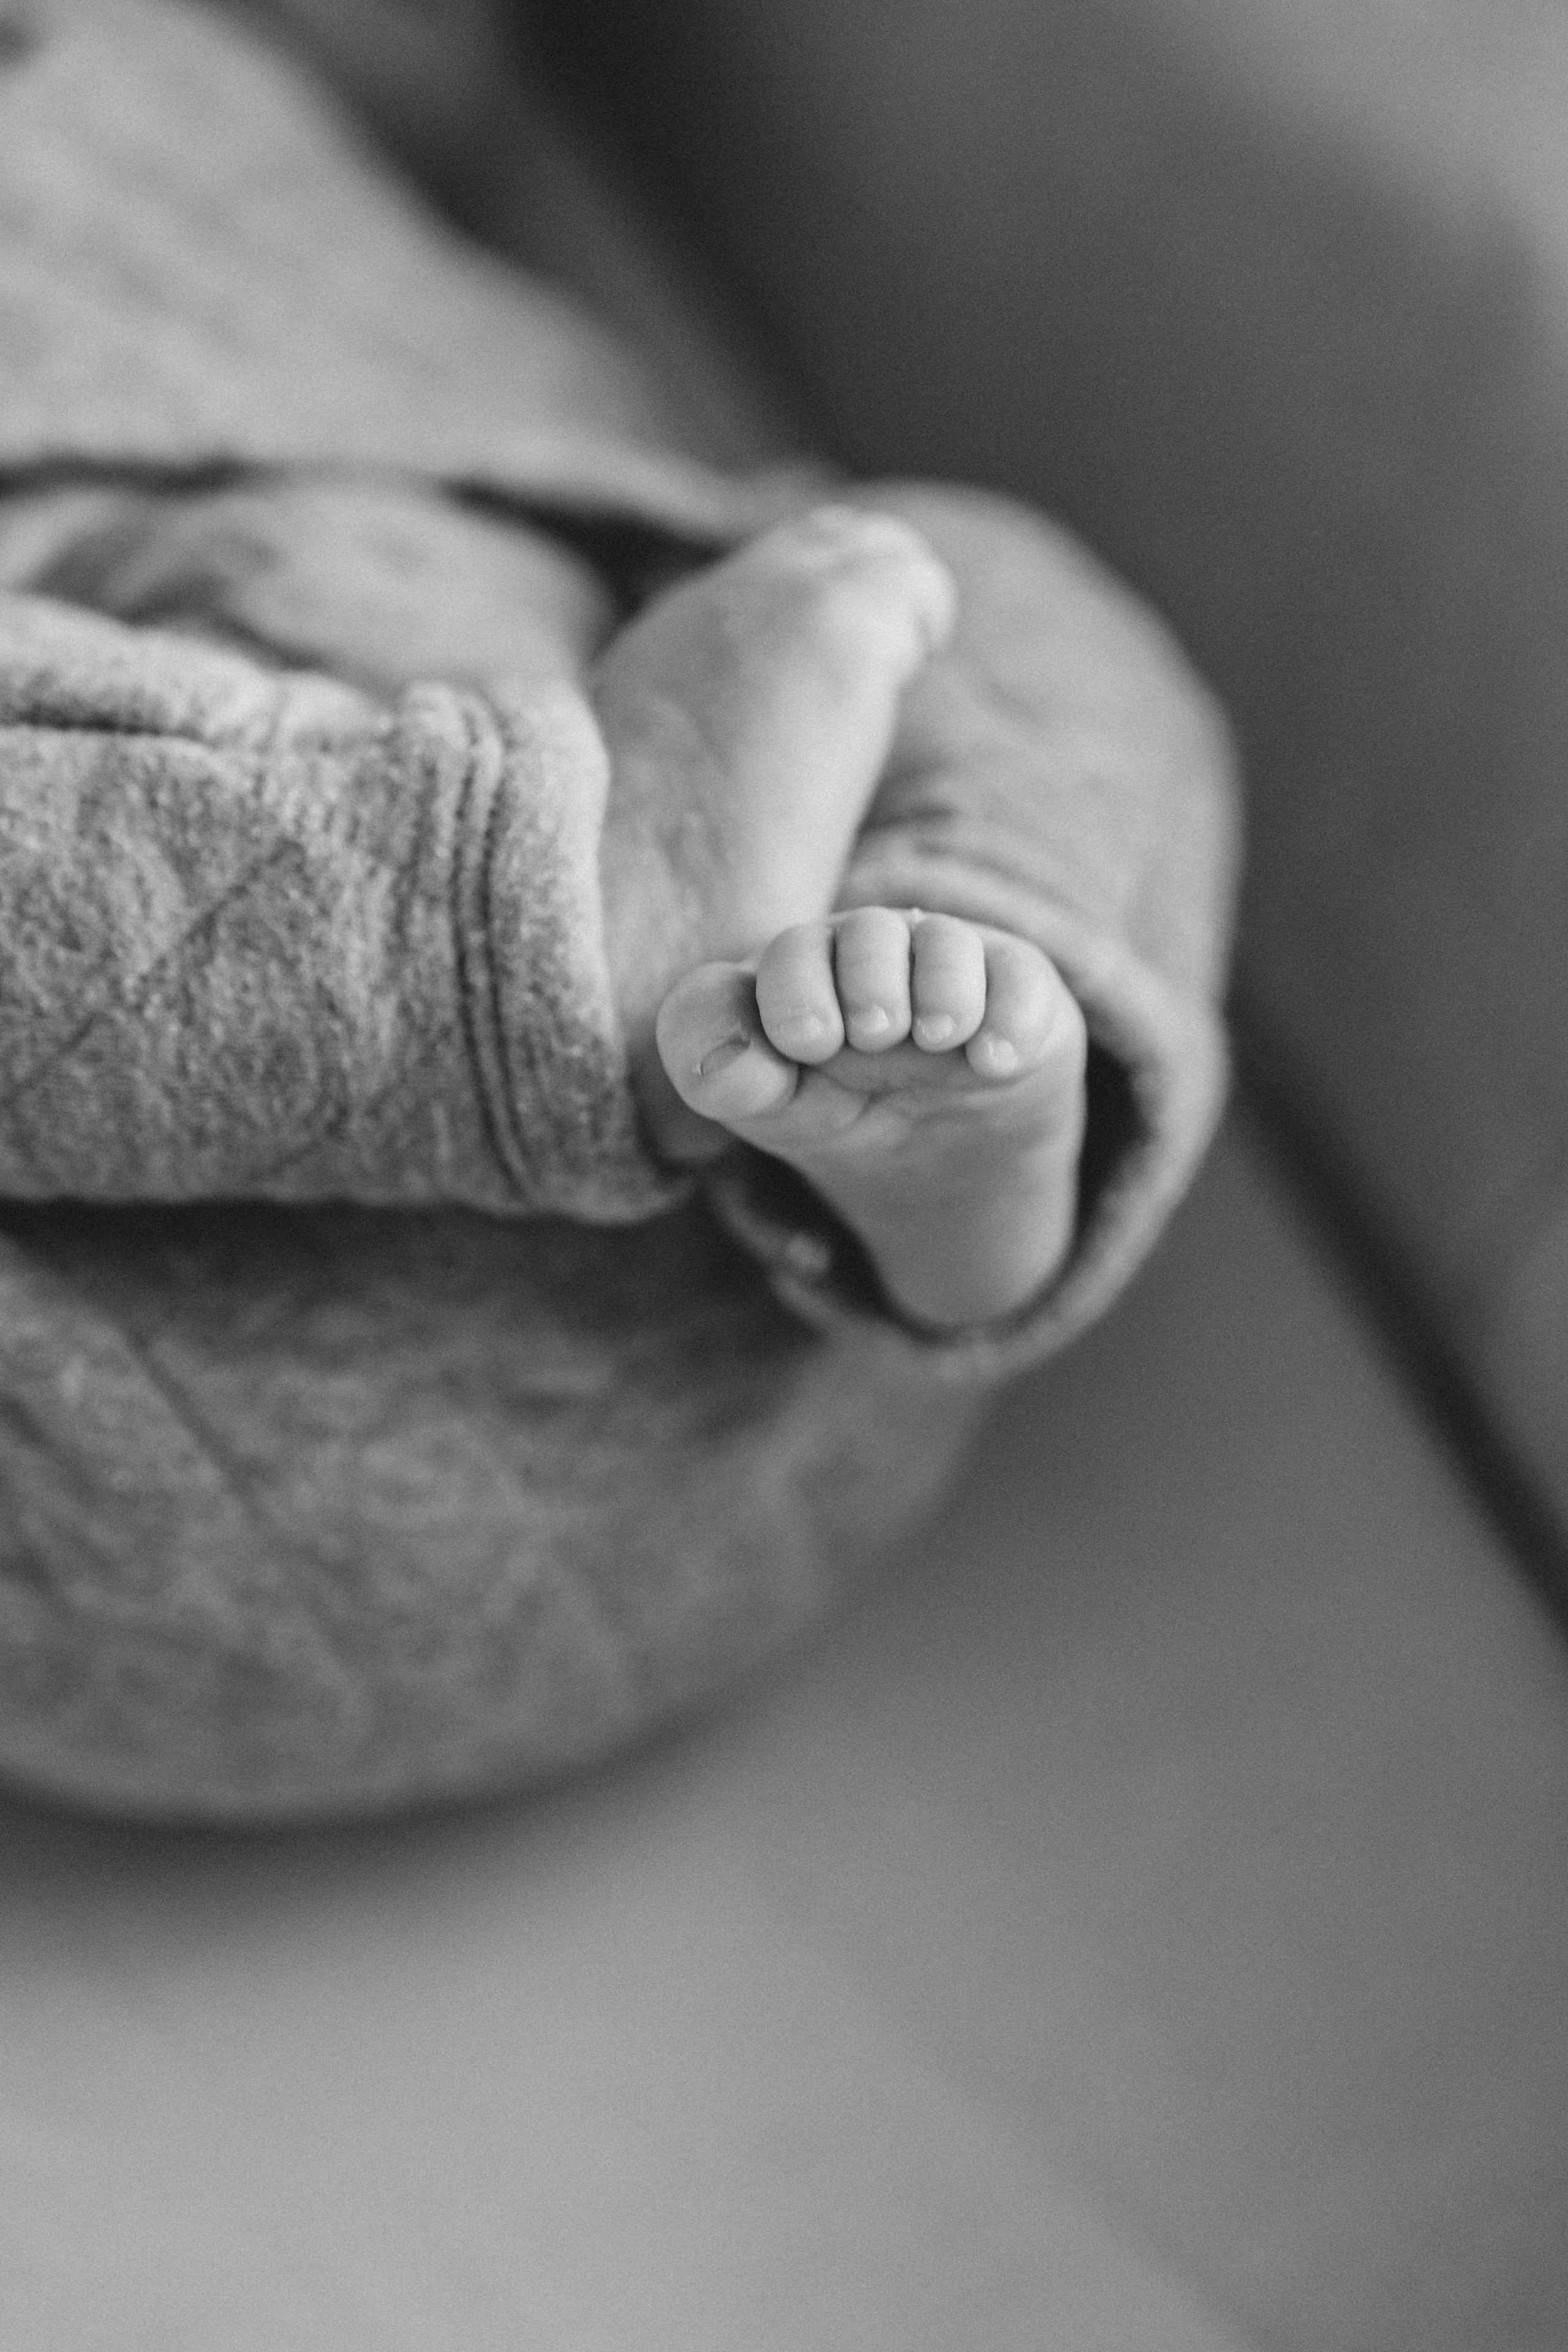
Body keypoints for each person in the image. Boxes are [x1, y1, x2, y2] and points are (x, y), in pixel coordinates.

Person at [0, 0, 1238, 1819]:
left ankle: (969, 1036)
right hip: (160, 1414)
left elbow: (430, 73)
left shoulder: (192, 79)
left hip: (767, 1227)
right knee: (910, 602)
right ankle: (570, 919)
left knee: (968, 583)